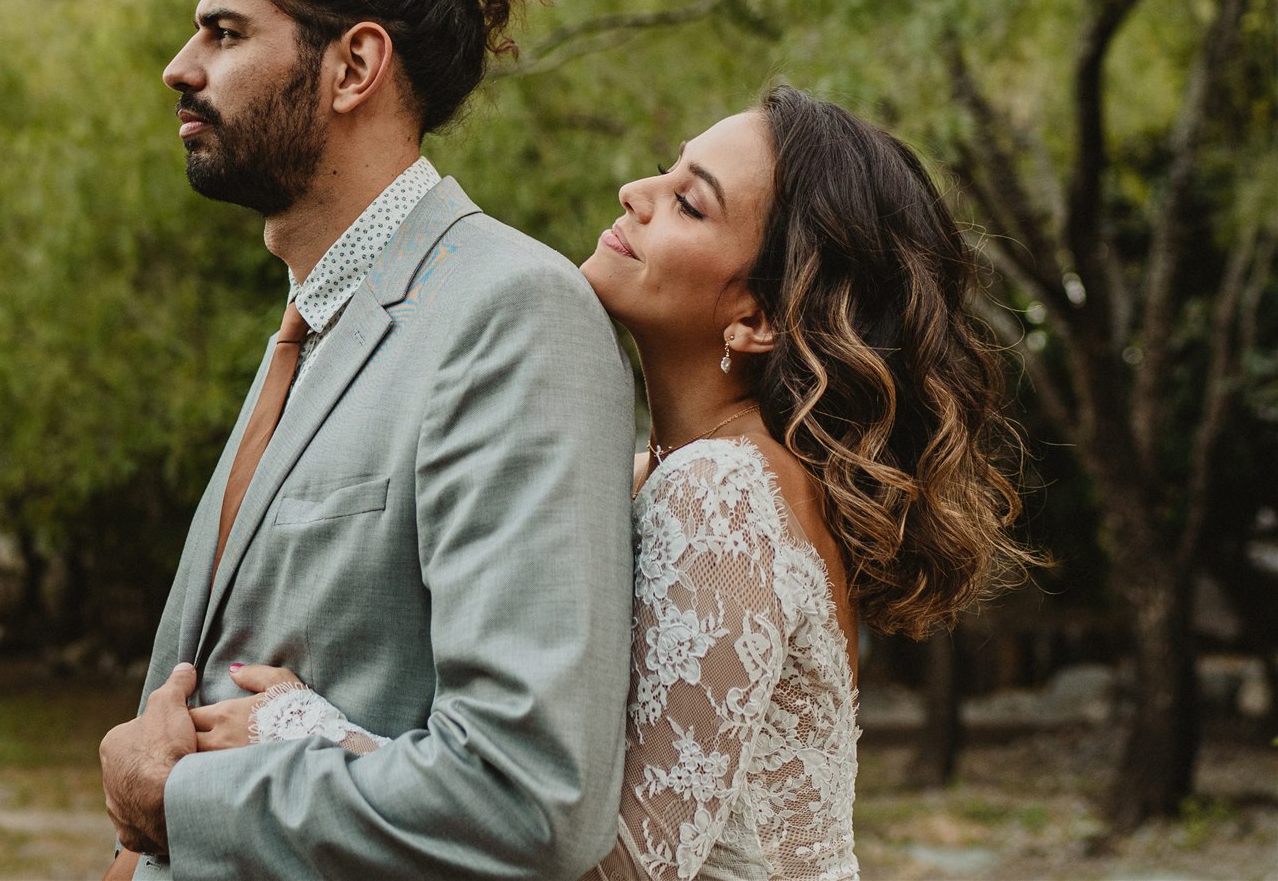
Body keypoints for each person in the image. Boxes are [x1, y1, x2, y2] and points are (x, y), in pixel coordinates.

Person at [195, 87, 1033, 881]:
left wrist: (305, 734)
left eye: (689, 202)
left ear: (757, 318)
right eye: (667, 172)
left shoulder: (724, 496)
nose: (636, 191)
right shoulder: (664, 473)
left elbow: (618, 864)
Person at [96, 0, 639, 878]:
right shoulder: (308, 327)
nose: (178, 69)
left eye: (222, 34)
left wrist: (179, 803)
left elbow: (527, 796)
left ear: (353, 65)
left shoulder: (511, 312)